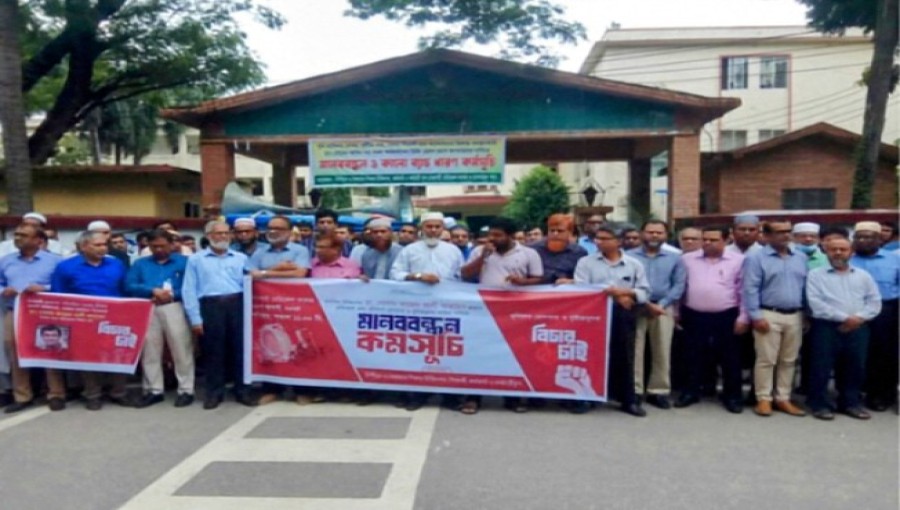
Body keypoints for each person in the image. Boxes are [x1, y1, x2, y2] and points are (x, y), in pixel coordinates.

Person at [461, 216, 544, 414]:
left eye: (498, 235)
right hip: (485, 309)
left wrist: (522, 282)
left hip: (516, 310)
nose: (492, 238)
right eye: (490, 234)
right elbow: (465, 274)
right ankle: (473, 397)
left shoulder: (529, 253)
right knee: (479, 353)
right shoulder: (480, 251)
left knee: (512, 352)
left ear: (510, 236)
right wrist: (483, 257)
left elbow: (538, 279)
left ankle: (512, 398)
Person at [390, 212, 465, 411]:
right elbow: (395, 273)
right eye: (429, 227)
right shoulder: (410, 250)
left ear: (443, 229)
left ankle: (450, 397)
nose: (433, 230)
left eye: (437, 227)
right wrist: (417, 276)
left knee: (447, 350)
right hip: (417, 309)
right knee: (418, 351)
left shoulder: (453, 251)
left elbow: (461, 277)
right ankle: (417, 395)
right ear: (422, 228)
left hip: (447, 308)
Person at [574, 226, 651, 417]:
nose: (599, 242)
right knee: (591, 356)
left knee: (625, 356)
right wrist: (616, 295)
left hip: (624, 314)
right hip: (593, 315)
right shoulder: (585, 262)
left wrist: (627, 293)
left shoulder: (634, 264)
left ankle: (628, 400)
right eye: (597, 238)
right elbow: (582, 288)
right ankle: (587, 397)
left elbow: (644, 291)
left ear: (618, 241)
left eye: (604, 238)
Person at [51, 230, 131, 411]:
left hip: (114, 317)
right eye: (98, 245)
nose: (103, 248)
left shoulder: (116, 264)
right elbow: (58, 294)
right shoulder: (66, 267)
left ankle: (119, 392)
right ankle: (92, 394)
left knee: (118, 354)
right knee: (88, 357)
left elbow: (125, 289)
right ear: (83, 246)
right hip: (83, 320)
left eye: (105, 244)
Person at [183, 220, 256, 410]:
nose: (223, 237)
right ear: (208, 236)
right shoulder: (196, 260)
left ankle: (243, 391)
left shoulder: (240, 258)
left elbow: (250, 283)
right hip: (211, 306)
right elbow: (189, 290)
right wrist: (195, 318)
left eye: (226, 233)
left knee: (240, 350)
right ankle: (214, 393)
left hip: (237, 304)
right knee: (214, 352)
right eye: (218, 233)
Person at [806, 236, 882, 420]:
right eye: (833, 249)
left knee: (855, 366)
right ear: (826, 251)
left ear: (851, 252)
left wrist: (858, 318)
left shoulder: (863, 276)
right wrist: (845, 318)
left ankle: (850, 403)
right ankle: (820, 404)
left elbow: (874, 301)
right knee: (821, 367)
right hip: (826, 327)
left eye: (843, 249)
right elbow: (815, 303)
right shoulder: (816, 275)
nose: (838, 253)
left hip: (858, 328)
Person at [676, 225, 749, 414]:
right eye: (705, 239)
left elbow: (743, 290)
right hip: (693, 313)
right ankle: (690, 392)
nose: (707, 243)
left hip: (727, 314)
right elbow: (680, 287)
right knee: (691, 355)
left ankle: (732, 396)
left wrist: (743, 317)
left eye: (713, 239)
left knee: (730, 358)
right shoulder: (687, 259)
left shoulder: (739, 261)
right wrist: (677, 311)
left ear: (726, 240)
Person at [742, 221, 808, 417]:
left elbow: (805, 287)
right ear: (768, 236)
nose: (785, 235)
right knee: (766, 359)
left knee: (789, 360)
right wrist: (755, 316)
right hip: (768, 313)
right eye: (780, 232)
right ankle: (763, 398)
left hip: (795, 314)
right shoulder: (756, 258)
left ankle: (783, 398)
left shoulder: (800, 257)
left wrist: (806, 314)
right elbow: (750, 288)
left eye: (788, 232)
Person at [246, 216, 311, 406]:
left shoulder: (300, 250)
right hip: (267, 308)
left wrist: (265, 273)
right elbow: (252, 274)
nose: (273, 231)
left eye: (279, 228)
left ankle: (301, 389)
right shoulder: (259, 252)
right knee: (269, 348)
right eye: (270, 228)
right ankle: (272, 389)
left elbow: (300, 273)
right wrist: (279, 269)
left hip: (294, 306)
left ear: (290, 232)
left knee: (297, 347)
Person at [126, 230, 194, 409]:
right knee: (150, 350)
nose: (158, 249)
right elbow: (129, 284)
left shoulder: (184, 262)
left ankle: (186, 389)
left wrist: (172, 295)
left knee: (181, 349)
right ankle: (153, 390)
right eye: (154, 246)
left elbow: (192, 286)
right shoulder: (140, 264)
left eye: (162, 245)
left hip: (175, 306)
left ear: (171, 244)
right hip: (148, 306)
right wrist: (152, 291)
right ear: (148, 246)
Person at [0, 224, 64, 413]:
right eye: (17, 234)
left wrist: (44, 289)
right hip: (15, 311)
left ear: (38, 240)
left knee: (50, 349)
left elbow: (63, 286)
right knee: (15, 351)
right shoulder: (5, 261)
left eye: (24, 235)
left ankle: (56, 394)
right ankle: (22, 396)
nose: (18, 238)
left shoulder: (55, 261)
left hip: (45, 311)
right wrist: (4, 290)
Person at [628, 220, 686, 410]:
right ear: (642, 233)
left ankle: (658, 391)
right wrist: (644, 303)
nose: (654, 236)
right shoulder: (629, 256)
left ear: (666, 235)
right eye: (650, 232)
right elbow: (626, 283)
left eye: (658, 233)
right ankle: (635, 390)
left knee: (662, 349)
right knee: (635, 349)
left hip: (663, 307)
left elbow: (678, 286)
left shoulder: (675, 258)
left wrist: (660, 305)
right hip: (635, 306)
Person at [849, 221, 900, 412]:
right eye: (859, 237)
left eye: (868, 237)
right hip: (854, 310)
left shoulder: (894, 259)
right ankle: (852, 394)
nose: (863, 241)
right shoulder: (849, 258)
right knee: (856, 354)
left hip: (887, 311)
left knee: (884, 355)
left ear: (879, 239)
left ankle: (880, 395)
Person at [0, 212, 65, 257]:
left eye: (33, 226)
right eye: (25, 224)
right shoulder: (4, 245)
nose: (28, 228)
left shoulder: (54, 245)